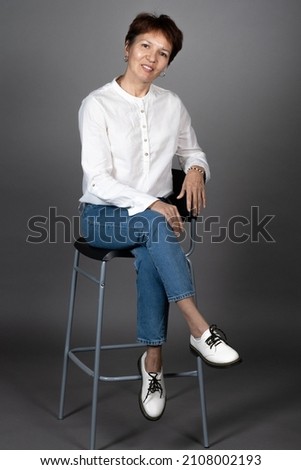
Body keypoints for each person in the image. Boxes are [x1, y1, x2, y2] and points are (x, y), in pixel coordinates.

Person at [78, 12, 240, 421]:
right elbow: (98, 179)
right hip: (101, 218)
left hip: (152, 224)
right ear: (128, 47)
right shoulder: (97, 104)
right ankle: (200, 330)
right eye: (146, 45)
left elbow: (193, 152)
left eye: (163, 52)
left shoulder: (172, 105)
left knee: (153, 243)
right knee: (157, 223)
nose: (152, 57)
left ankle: (153, 364)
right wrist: (152, 203)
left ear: (168, 64)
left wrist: (199, 169)